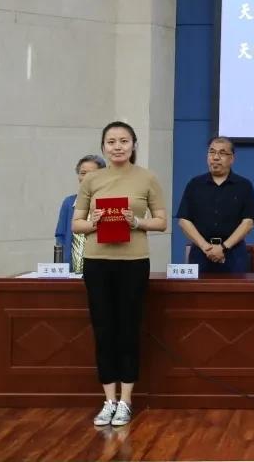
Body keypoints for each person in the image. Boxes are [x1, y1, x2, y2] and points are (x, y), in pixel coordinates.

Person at [71, 121, 168, 428]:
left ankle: (126, 400)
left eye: (124, 141)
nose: (117, 146)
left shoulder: (147, 178)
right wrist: (94, 222)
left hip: (133, 261)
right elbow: (76, 224)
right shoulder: (92, 179)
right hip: (97, 262)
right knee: (103, 329)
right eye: (111, 141)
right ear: (103, 146)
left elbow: (161, 221)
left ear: (133, 145)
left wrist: (136, 222)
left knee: (128, 328)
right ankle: (108, 400)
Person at [175, 136, 254, 273]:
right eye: (212, 152)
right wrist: (206, 247)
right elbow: (184, 221)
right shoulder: (195, 184)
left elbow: (248, 222)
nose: (215, 157)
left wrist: (223, 247)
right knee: (198, 288)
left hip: (234, 254)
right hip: (201, 252)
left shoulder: (244, 186)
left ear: (232, 158)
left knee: (235, 288)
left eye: (222, 153)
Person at [55, 155, 106, 274]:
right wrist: (62, 268)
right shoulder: (69, 202)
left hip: (99, 271)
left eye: (92, 174)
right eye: (83, 173)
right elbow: (61, 236)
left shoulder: (108, 203)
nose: (86, 178)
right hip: (71, 272)